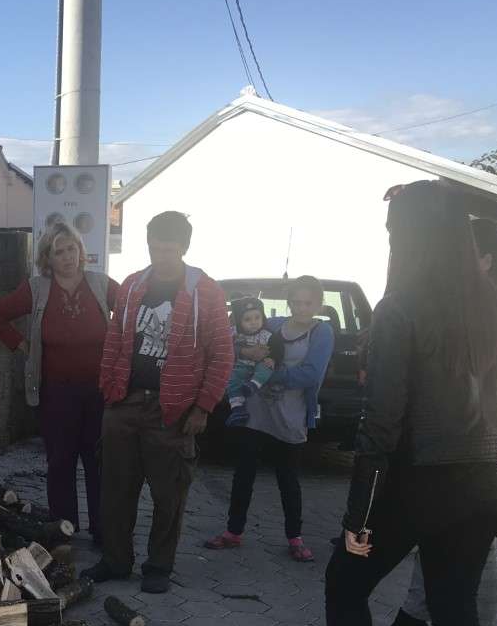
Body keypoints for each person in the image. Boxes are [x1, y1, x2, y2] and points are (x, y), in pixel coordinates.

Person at [283, 181, 497, 626]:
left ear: (408, 237)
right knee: (457, 613)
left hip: (418, 481)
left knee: (344, 583)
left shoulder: (402, 306)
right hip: (483, 482)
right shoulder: (496, 305)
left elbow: (380, 426)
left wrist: (357, 516)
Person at [373, 216, 497, 626]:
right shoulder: (488, 302)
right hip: (472, 448)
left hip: (486, 452)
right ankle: (412, 620)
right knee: (432, 538)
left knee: (477, 555)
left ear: (486, 259)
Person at [81, 211, 234, 593]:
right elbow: (115, 339)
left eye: (169, 249)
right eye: (155, 248)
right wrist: (109, 390)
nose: (161, 256)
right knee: (116, 489)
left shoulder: (206, 292)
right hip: (125, 404)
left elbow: (222, 354)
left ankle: (159, 566)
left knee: (169, 495)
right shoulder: (133, 285)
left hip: (173, 411)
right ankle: (116, 560)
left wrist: (203, 407)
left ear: (184, 247)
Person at [0, 221, 117, 543]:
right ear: (48, 257)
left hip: (100, 391)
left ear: (81, 251)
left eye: (72, 249)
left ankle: (103, 529)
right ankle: (64, 528)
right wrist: (25, 346)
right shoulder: (37, 289)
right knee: (60, 462)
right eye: (59, 252)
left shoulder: (101, 284)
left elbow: (133, 313)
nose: (67, 257)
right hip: (56, 392)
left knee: (100, 462)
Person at [204, 277, 335, 562]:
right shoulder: (274, 325)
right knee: (243, 474)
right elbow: (239, 338)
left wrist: (269, 375)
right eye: (296, 302)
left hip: (290, 416)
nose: (301, 308)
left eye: (308, 303)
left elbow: (312, 374)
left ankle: (295, 538)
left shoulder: (322, 332)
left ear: (318, 304)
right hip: (256, 412)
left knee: (288, 479)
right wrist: (244, 352)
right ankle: (233, 531)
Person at [224, 296, 283, 427]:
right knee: (232, 381)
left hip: (260, 365)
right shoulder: (234, 334)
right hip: (241, 366)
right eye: (247, 319)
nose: (253, 322)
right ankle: (238, 409)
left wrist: (274, 359)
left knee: (266, 367)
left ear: (263, 318)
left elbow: (278, 349)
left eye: (257, 317)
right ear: (239, 322)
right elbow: (224, 347)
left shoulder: (268, 335)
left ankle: (253, 385)